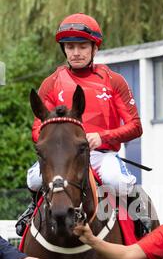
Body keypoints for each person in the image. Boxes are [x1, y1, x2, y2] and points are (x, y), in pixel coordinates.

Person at [16, 13, 150, 237]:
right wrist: (57, 140)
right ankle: (33, 208)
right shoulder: (51, 83)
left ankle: (140, 218)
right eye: (70, 47)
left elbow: (136, 126)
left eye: (82, 46)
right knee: (34, 178)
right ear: (64, 50)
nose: (76, 53)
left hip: (101, 155)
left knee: (117, 180)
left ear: (94, 48)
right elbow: (37, 128)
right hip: (62, 156)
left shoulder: (114, 81)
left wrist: (102, 137)